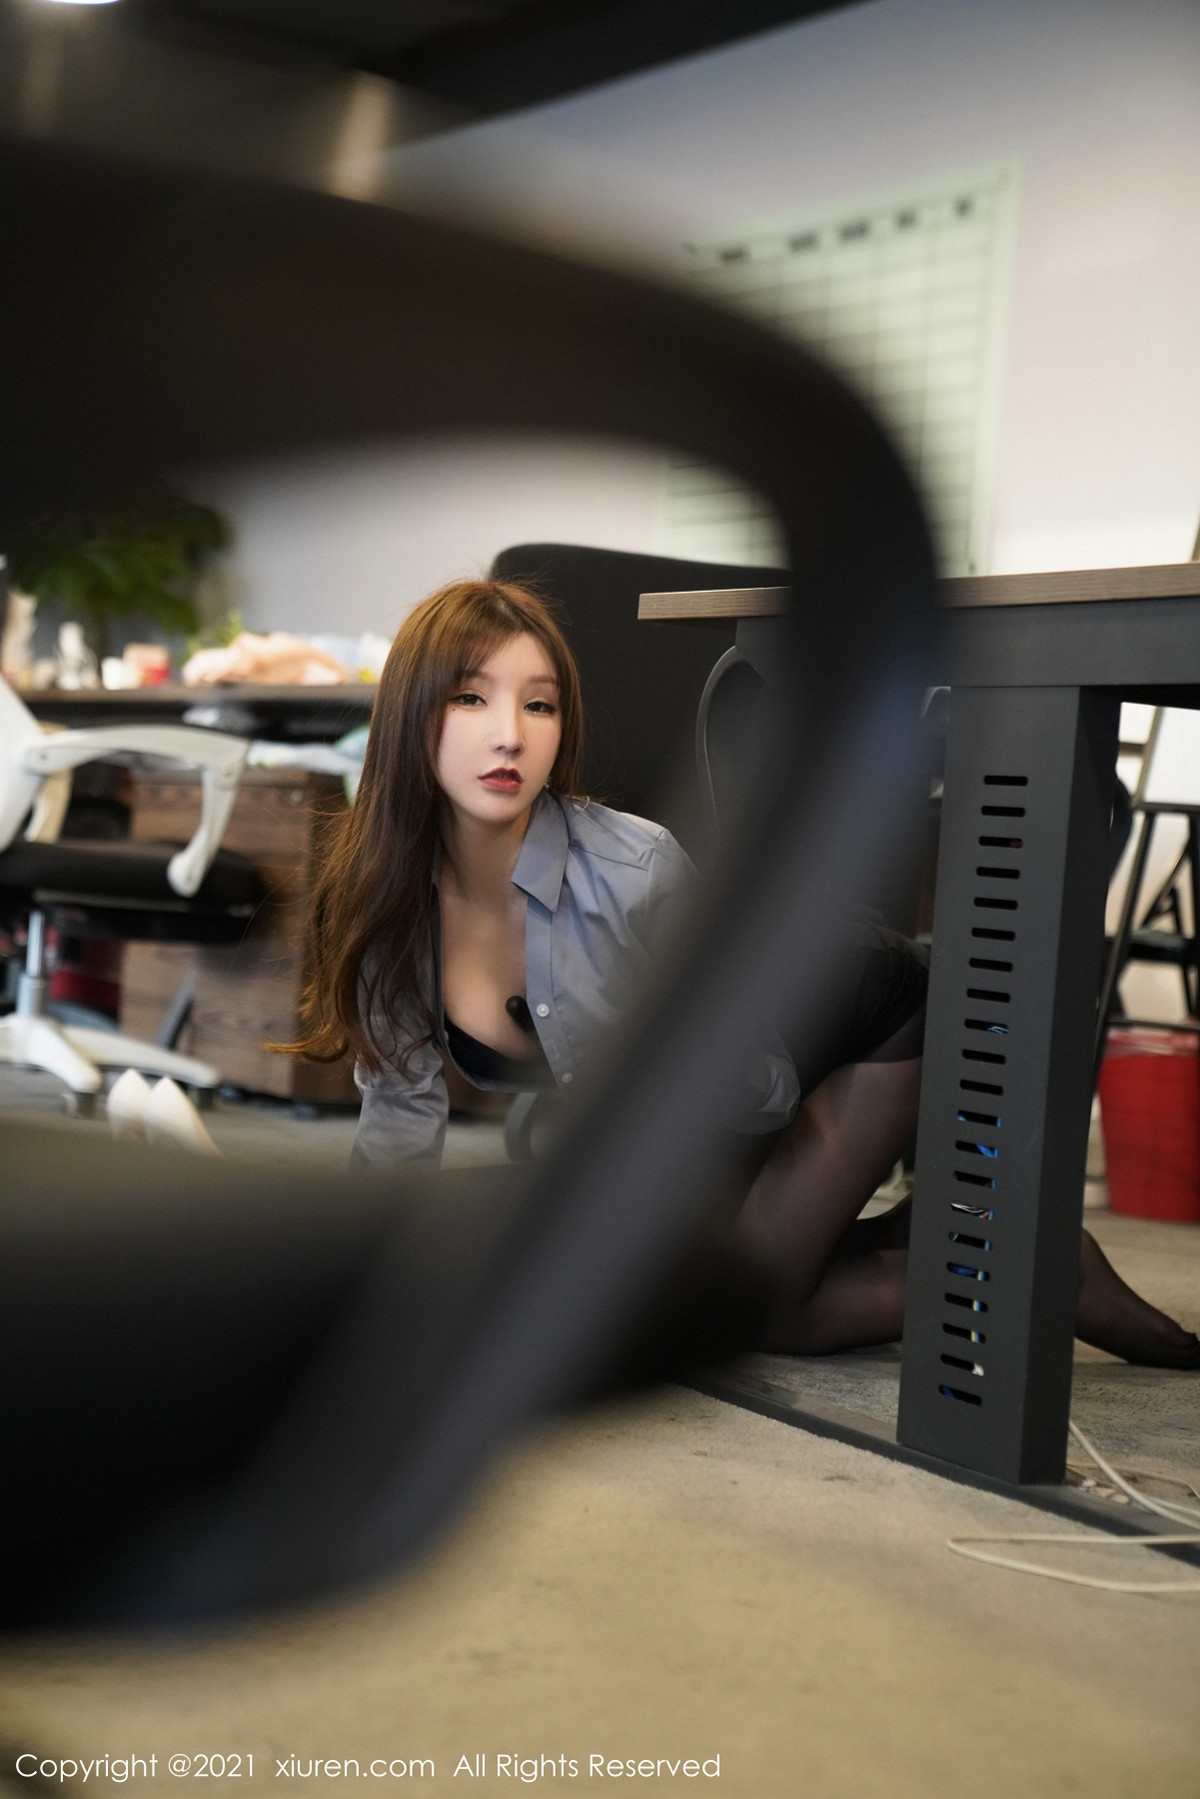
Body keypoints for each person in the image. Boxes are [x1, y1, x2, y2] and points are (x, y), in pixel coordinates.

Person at [285, 578, 1200, 1370]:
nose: (510, 736)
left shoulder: (633, 871)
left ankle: (1046, 1276)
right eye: (471, 698)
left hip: (856, 1026)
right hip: (706, 1105)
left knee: (756, 1309)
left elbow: (755, 1087)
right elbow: (398, 1119)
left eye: (540, 704)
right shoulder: (381, 900)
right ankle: (954, 1242)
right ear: (410, 714)